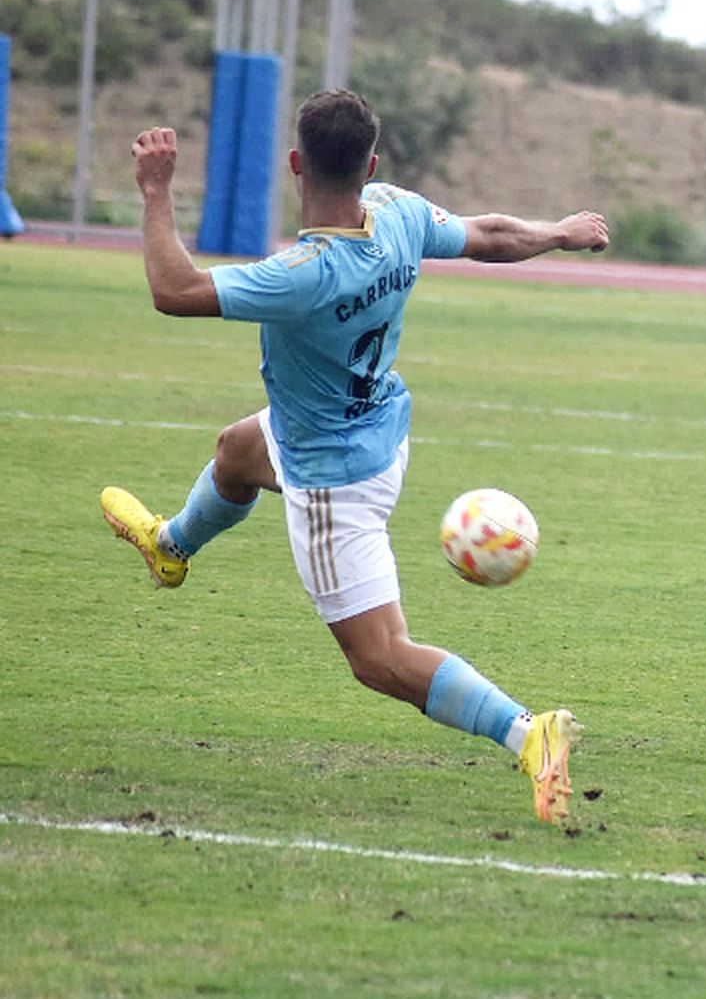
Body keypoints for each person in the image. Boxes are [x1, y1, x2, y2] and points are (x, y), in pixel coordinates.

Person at [99, 90, 609, 825]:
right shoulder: (398, 211)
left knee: (379, 658)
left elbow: (173, 289)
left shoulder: (302, 272)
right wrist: (561, 231)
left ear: (296, 164)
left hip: (333, 478)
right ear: (371, 165)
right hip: (376, 423)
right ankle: (171, 545)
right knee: (239, 449)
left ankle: (528, 733)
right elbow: (492, 233)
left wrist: (155, 189)